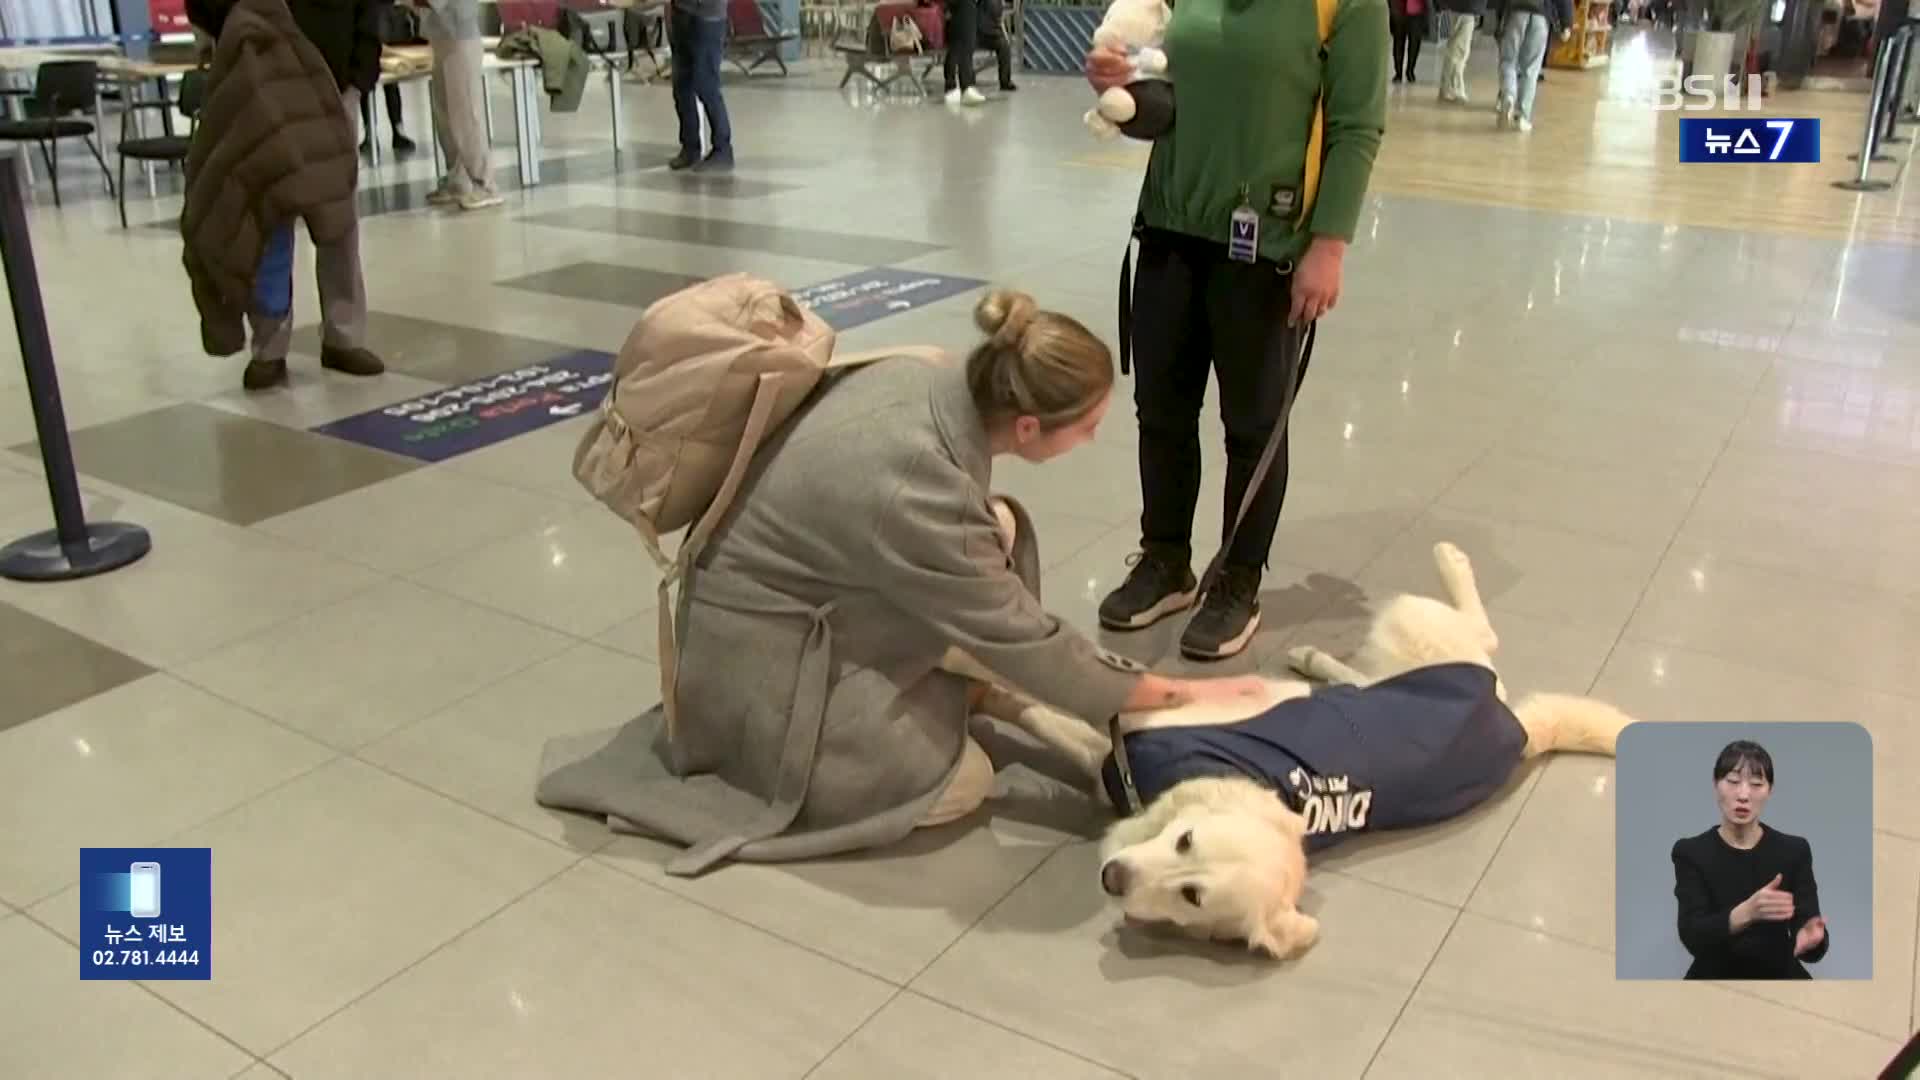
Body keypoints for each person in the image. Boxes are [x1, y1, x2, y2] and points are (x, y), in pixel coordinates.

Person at [535, 290, 1271, 872]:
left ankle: (986, 694)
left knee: (995, 535)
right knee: (965, 781)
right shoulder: (918, 484)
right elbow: (1023, 636)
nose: (1093, 439)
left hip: (760, 609)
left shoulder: (927, 372)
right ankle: (972, 703)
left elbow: (979, 586)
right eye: (1085, 425)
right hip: (765, 679)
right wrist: (1180, 692)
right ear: (1025, 428)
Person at [1083, 0, 1388, 661]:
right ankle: (1166, 562)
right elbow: (1165, 99)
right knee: (1160, 412)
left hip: (1267, 247)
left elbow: (1358, 126)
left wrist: (1328, 246)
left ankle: (1238, 582)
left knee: (1251, 427)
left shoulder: (1347, 6)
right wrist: (1116, 83)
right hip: (1169, 227)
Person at [185, 0, 385, 390]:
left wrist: (360, 75)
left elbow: (370, 7)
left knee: (337, 217)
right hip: (259, 81)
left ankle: (344, 335)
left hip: (332, 80)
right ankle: (269, 347)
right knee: (266, 216)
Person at [1670, 740, 1830, 980]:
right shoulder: (1691, 852)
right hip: (1716, 976)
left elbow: (1810, 934)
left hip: (1779, 975)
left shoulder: (1794, 851)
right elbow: (1693, 936)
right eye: (1733, 782)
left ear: (1770, 790)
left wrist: (1811, 940)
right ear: (1715, 784)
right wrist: (1747, 912)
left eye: (1756, 784)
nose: (1743, 795)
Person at [417, 0, 502, 208]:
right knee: (445, 112)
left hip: (459, 34)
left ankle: (485, 184)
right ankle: (458, 179)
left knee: (465, 114)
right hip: (440, 33)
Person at [668, 0, 733, 170]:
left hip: (707, 16)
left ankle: (723, 149)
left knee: (706, 85)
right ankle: (690, 147)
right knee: (682, 86)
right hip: (681, 13)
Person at [1493, 0, 1571, 131]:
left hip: (1515, 11)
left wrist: (1500, 16)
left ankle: (1508, 95)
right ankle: (1522, 116)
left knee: (1508, 61)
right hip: (1541, 15)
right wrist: (1566, 23)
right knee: (1531, 69)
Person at [945, 0, 1016, 101]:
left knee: (1004, 46)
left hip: (989, 33)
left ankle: (1005, 81)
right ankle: (958, 85)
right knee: (960, 48)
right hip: (973, 29)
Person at [1434, 0, 1485, 101]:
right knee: (1460, 51)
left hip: (1455, 8)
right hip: (1467, 9)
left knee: (1453, 48)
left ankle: (1446, 87)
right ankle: (1455, 89)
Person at [1390, 0, 1433, 82]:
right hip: (1398, 9)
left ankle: (1410, 71)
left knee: (1414, 42)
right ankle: (1398, 73)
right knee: (1398, 42)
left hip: (1417, 11)